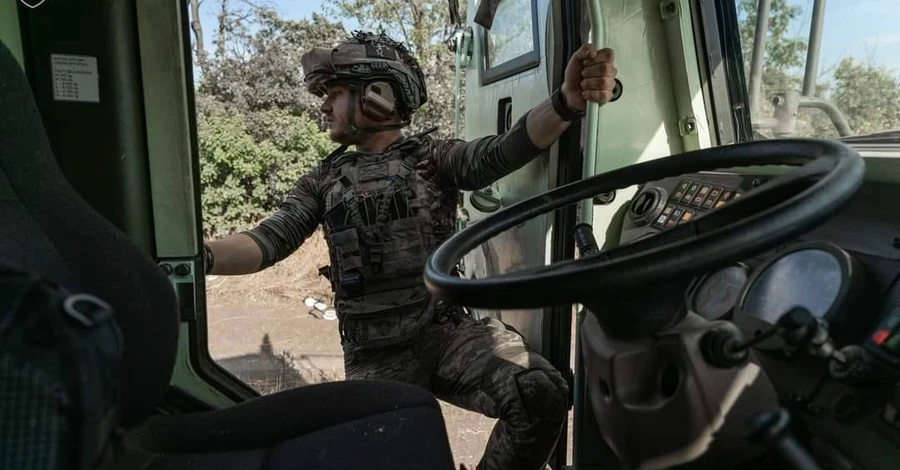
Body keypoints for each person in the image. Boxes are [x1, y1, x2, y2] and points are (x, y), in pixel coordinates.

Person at [203, 30, 618, 470]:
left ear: (377, 95)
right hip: (375, 355)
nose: (323, 105)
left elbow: (503, 150)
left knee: (540, 393)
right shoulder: (322, 182)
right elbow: (269, 241)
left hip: (444, 333)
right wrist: (201, 256)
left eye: (335, 93)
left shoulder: (431, 157)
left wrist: (567, 102)